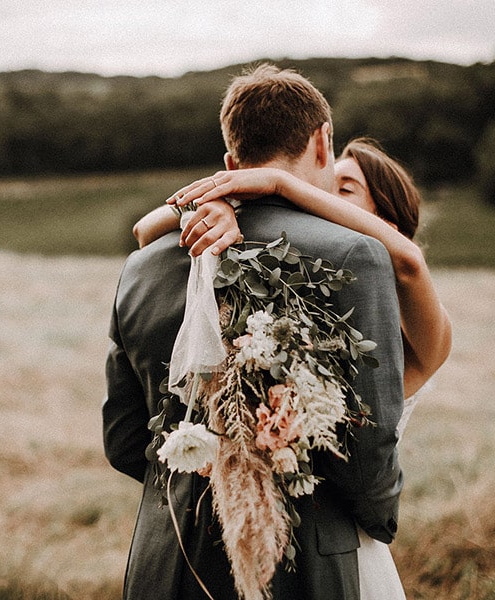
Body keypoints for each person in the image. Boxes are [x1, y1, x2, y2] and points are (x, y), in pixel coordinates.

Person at [104, 64, 405, 600]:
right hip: (301, 568)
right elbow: (369, 451)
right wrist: (375, 525)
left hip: (167, 562)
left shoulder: (141, 267)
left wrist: (201, 494)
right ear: (322, 142)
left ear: (230, 163)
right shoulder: (358, 256)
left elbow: (126, 441)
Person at [134, 138, 451, 598]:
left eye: (343, 189)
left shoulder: (427, 337)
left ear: (385, 223)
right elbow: (146, 229)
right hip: (245, 530)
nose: (316, 192)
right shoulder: (306, 302)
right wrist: (225, 203)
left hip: (343, 549)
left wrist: (279, 183)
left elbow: (408, 262)